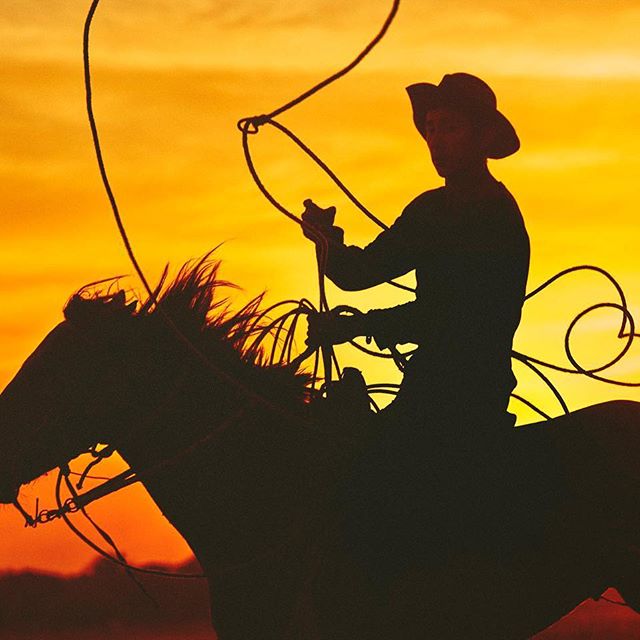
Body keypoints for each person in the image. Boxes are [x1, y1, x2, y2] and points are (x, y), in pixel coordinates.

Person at [300, 73, 531, 577]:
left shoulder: (495, 215)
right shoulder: (429, 210)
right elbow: (359, 274)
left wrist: (358, 328)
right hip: (429, 382)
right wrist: (327, 241)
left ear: (481, 137)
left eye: (449, 128)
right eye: (429, 129)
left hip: (471, 390)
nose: (436, 141)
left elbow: (458, 317)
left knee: (382, 481)